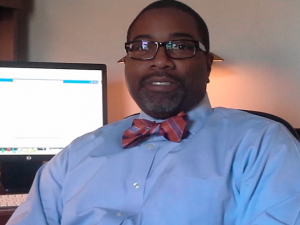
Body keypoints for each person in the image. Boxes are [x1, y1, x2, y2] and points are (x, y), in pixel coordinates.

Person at [7, 0, 300, 224]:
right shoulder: (75, 155)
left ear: (208, 65)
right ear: (127, 61)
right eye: (142, 46)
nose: (160, 61)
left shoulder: (262, 145)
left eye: (180, 46)